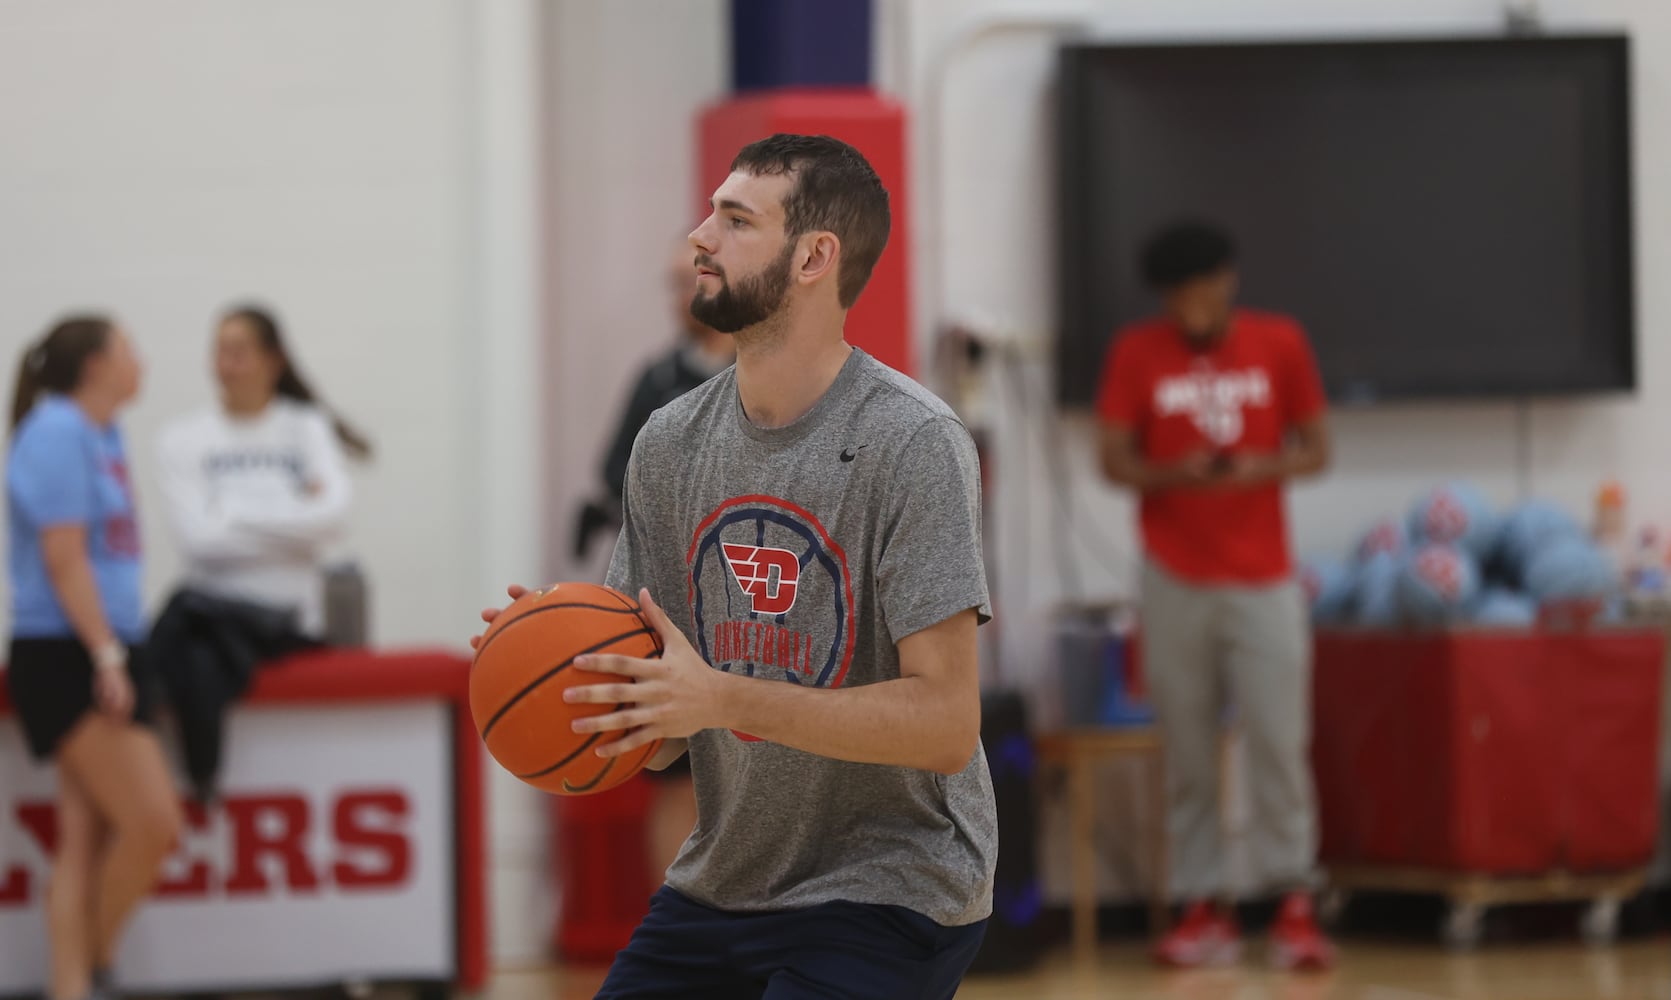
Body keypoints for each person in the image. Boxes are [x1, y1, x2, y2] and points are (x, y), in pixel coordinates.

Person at [476, 134, 996, 999]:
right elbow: (663, 736)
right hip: (726, 883)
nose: (698, 238)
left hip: (891, 884)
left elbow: (944, 724)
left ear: (813, 258)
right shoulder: (671, 441)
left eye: (734, 218)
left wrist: (721, 698)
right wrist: (569, 669)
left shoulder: (913, 442)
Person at [1095, 221, 1334, 970]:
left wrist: (1257, 466)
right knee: (1189, 748)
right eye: (1173, 295)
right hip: (1172, 576)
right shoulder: (1136, 352)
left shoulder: (1280, 342)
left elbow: (1318, 448)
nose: (1187, 306)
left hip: (1264, 576)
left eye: (1197, 290)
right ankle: (1203, 905)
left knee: (1277, 741)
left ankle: (1293, 900)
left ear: (1225, 281)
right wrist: (1177, 474)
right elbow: (1112, 459)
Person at [5, 315, 182, 1000]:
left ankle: (70, 985)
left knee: (81, 837)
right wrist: (106, 656)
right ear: (95, 365)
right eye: (128, 348)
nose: (140, 359)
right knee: (153, 820)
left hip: (105, 644)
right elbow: (63, 558)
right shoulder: (55, 431)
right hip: (68, 650)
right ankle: (95, 958)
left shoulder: (102, 432)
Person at [575, 239, 736, 883]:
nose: (681, 298)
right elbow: (615, 473)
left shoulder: (764, 374)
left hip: (758, 603)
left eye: (690, 280)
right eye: (671, 284)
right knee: (675, 776)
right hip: (675, 606)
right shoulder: (657, 379)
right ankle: (682, 926)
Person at [156, 305, 367, 639]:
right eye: (219, 352)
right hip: (213, 632)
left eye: (238, 353)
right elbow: (198, 539)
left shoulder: (308, 428)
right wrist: (298, 513)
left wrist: (228, 513)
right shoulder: (182, 438)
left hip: (298, 627)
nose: (226, 366)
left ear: (273, 360)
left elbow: (334, 521)